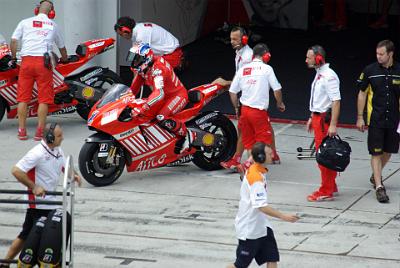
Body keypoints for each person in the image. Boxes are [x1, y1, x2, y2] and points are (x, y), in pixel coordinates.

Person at [0, 123, 81, 267]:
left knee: (30, 235)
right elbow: (16, 170)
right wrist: (34, 186)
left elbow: (64, 166)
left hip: (50, 201)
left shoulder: (57, 150)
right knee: (29, 236)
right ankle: (8, 262)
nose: (62, 138)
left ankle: (7, 262)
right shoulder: (36, 153)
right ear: (49, 137)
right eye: (59, 136)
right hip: (37, 203)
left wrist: (74, 175)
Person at [227, 142, 299, 268]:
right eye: (269, 154)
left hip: (263, 227)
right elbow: (261, 206)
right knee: (240, 265)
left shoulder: (258, 170)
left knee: (272, 258)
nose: (273, 155)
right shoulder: (256, 178)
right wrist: (284, 216)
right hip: (250, 230)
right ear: (260, 157)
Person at [220, 27, 281, 171]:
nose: (232, 42)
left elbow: (243, 81)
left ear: (245, 39)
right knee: (265, 126)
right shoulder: (239, 54)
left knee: (245, 130)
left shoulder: (248, 57)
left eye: (235, 39)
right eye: (231, 39)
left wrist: (225, 83)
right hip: (251, 99)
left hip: (250, 98)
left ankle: (239, 160)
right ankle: (273, 154)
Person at [10, 0, 68, 141]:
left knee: (23, 98)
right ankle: (39, 132)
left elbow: (13, 41)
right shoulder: (53, 25)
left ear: (36, 10)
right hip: (44, 63)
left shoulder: (24, 22)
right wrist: (65, 59)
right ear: (52, 12)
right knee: (44, 99)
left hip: (26, 62)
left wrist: (13, 57)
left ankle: (22, 131)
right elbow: (62, 48)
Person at [127, 43, 194, 154]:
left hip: (177, 95)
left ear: (146, 58)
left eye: (137, 59)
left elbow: (159, 93)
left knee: (161, 117)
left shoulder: (158, 69)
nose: (134, 62)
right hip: (164, 97)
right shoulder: (143, 68)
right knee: (146, 117)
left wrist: (144, 107)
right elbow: (133, 89)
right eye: (133, 59)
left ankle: (187, 135)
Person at [356, 39, 400, 203]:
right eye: (377, 54)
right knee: (376, 152)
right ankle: (379, 186)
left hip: (394, 120)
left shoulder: (399, 70)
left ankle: (375, 175)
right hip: (376, 119)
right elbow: (361, 93)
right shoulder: (370, 70)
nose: (379, 57)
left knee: (388, 151)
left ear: (390, 54)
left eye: (382, 54)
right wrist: (360, 117)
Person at [305, 45, 341, 202]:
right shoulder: (320, 74)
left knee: (324, 156)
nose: (306, 60)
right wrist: (312, 117)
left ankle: (326, 190)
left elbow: (336, 101)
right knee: (325, 154)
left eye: (309, 57)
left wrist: (333, 124)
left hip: (324, 121)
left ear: (318, 58)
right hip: (318, 118)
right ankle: (330, 185)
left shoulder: (328, 76)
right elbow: (320, 99)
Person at [114, 16, 183, 70]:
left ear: (126, 31)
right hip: (164, 53)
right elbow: (135, 51)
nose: (121, 36)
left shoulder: (141, 34)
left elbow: (141, 56)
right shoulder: (137, 28)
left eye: (121, 34)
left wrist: (135, 65)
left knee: (154, 77)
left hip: (171, 55)